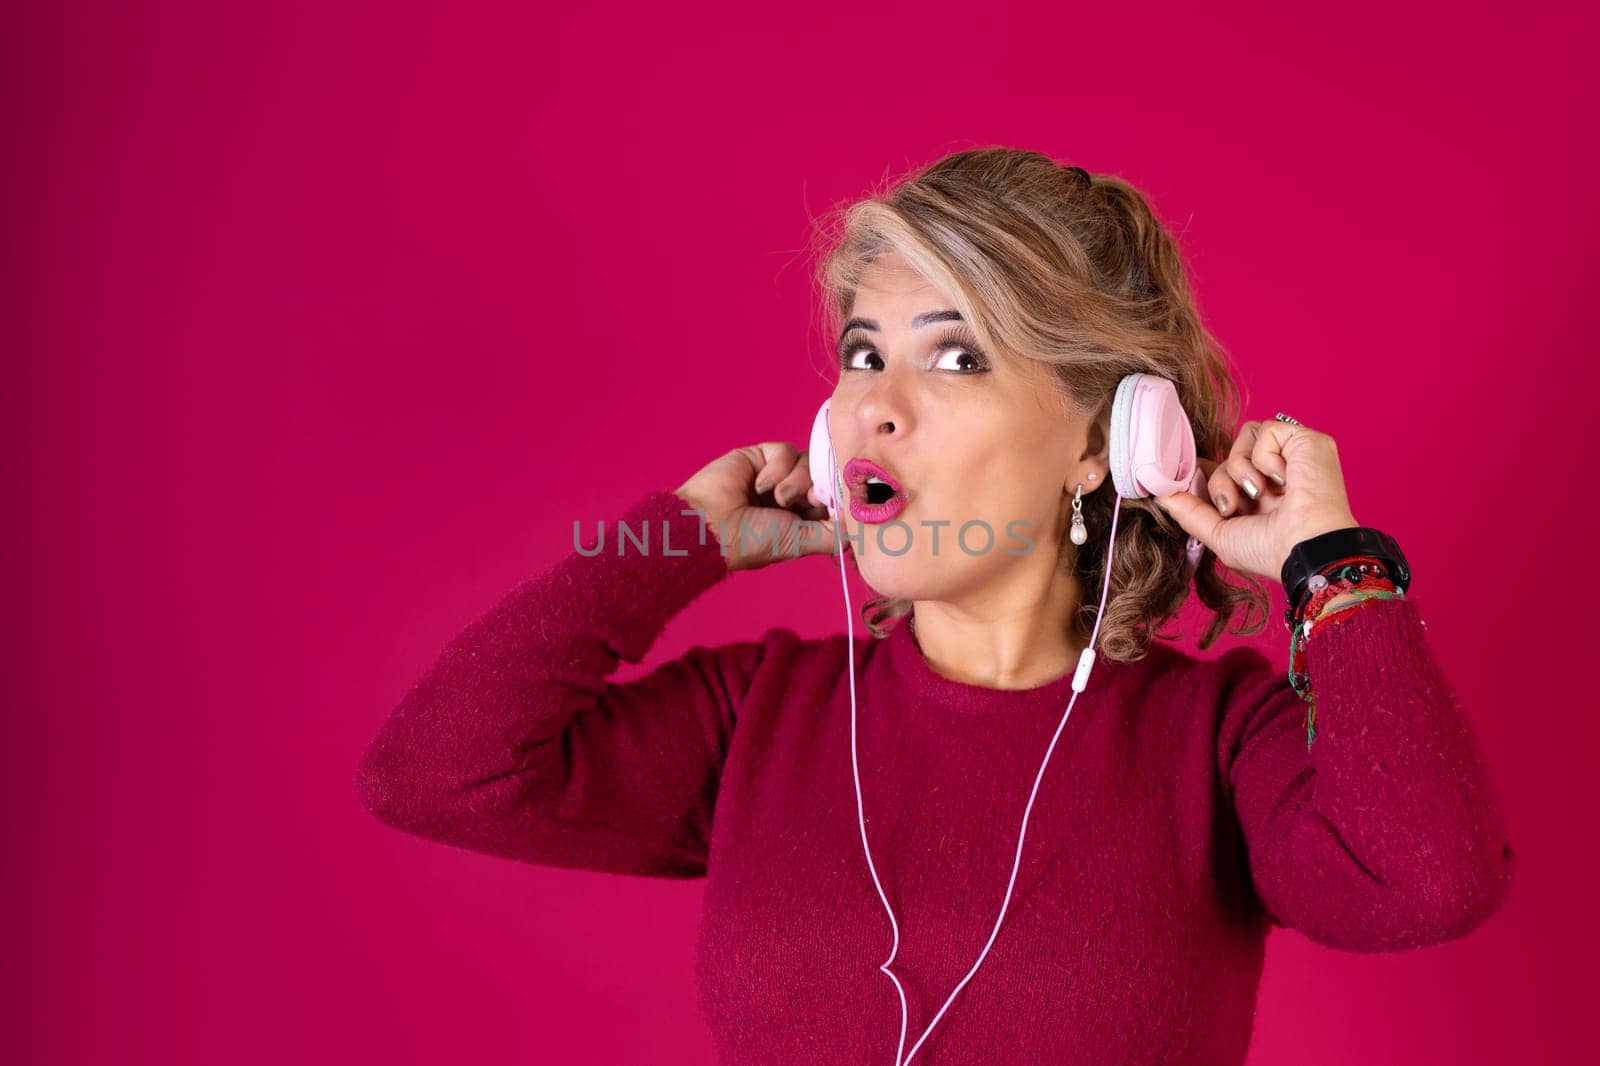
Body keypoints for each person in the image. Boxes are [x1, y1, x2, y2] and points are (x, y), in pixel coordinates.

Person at [355, 148, 1515, 1065]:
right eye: (862, 355)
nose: (874, 407)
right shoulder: (760, 717)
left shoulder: (1213, 741)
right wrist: (680, 541)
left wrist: (1331, 563)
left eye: (954, 358)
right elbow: (436, 771)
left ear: (1099, 441)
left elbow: (1427, 877)